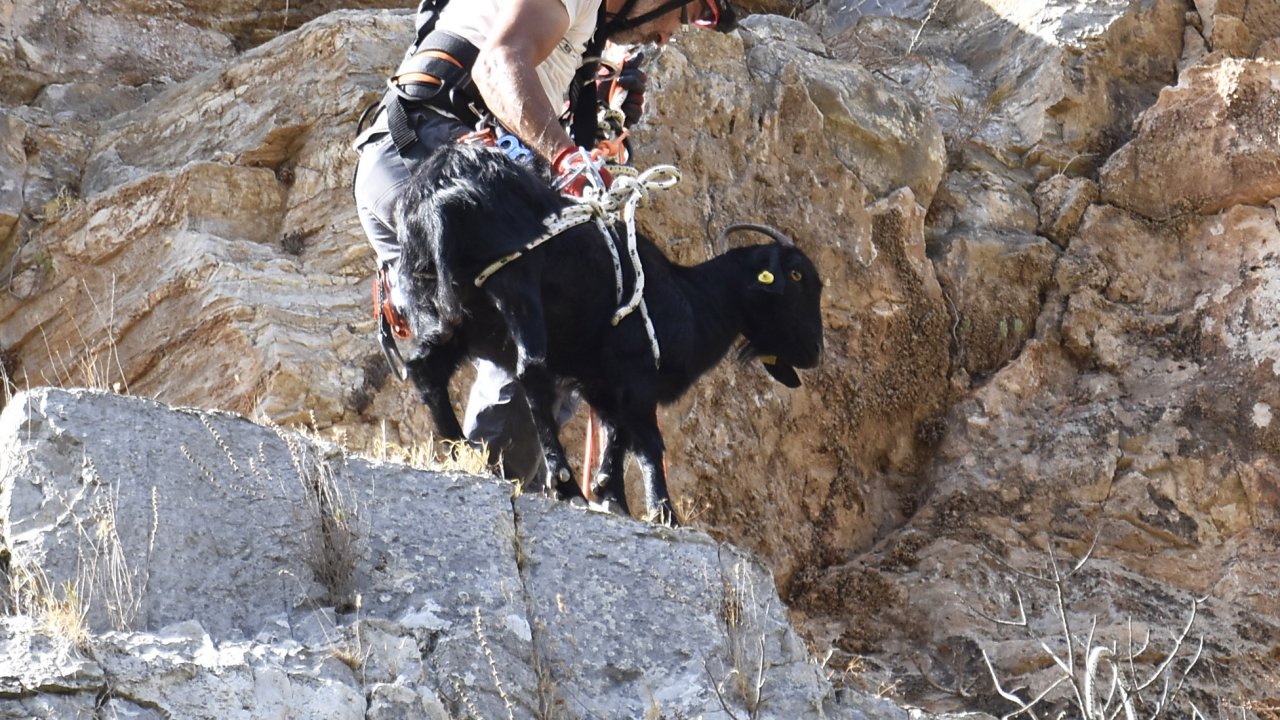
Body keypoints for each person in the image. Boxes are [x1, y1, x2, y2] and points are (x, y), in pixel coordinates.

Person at [353, 0, 737, 484]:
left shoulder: (581, 34)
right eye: (682, 14)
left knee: (540, 354)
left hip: (411, 162)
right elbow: (497, 65)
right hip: (434, 155)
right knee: (563, 326)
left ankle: (493, 503)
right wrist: (566, 159)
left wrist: (593, 122)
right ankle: (494, 504)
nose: (668, 36)